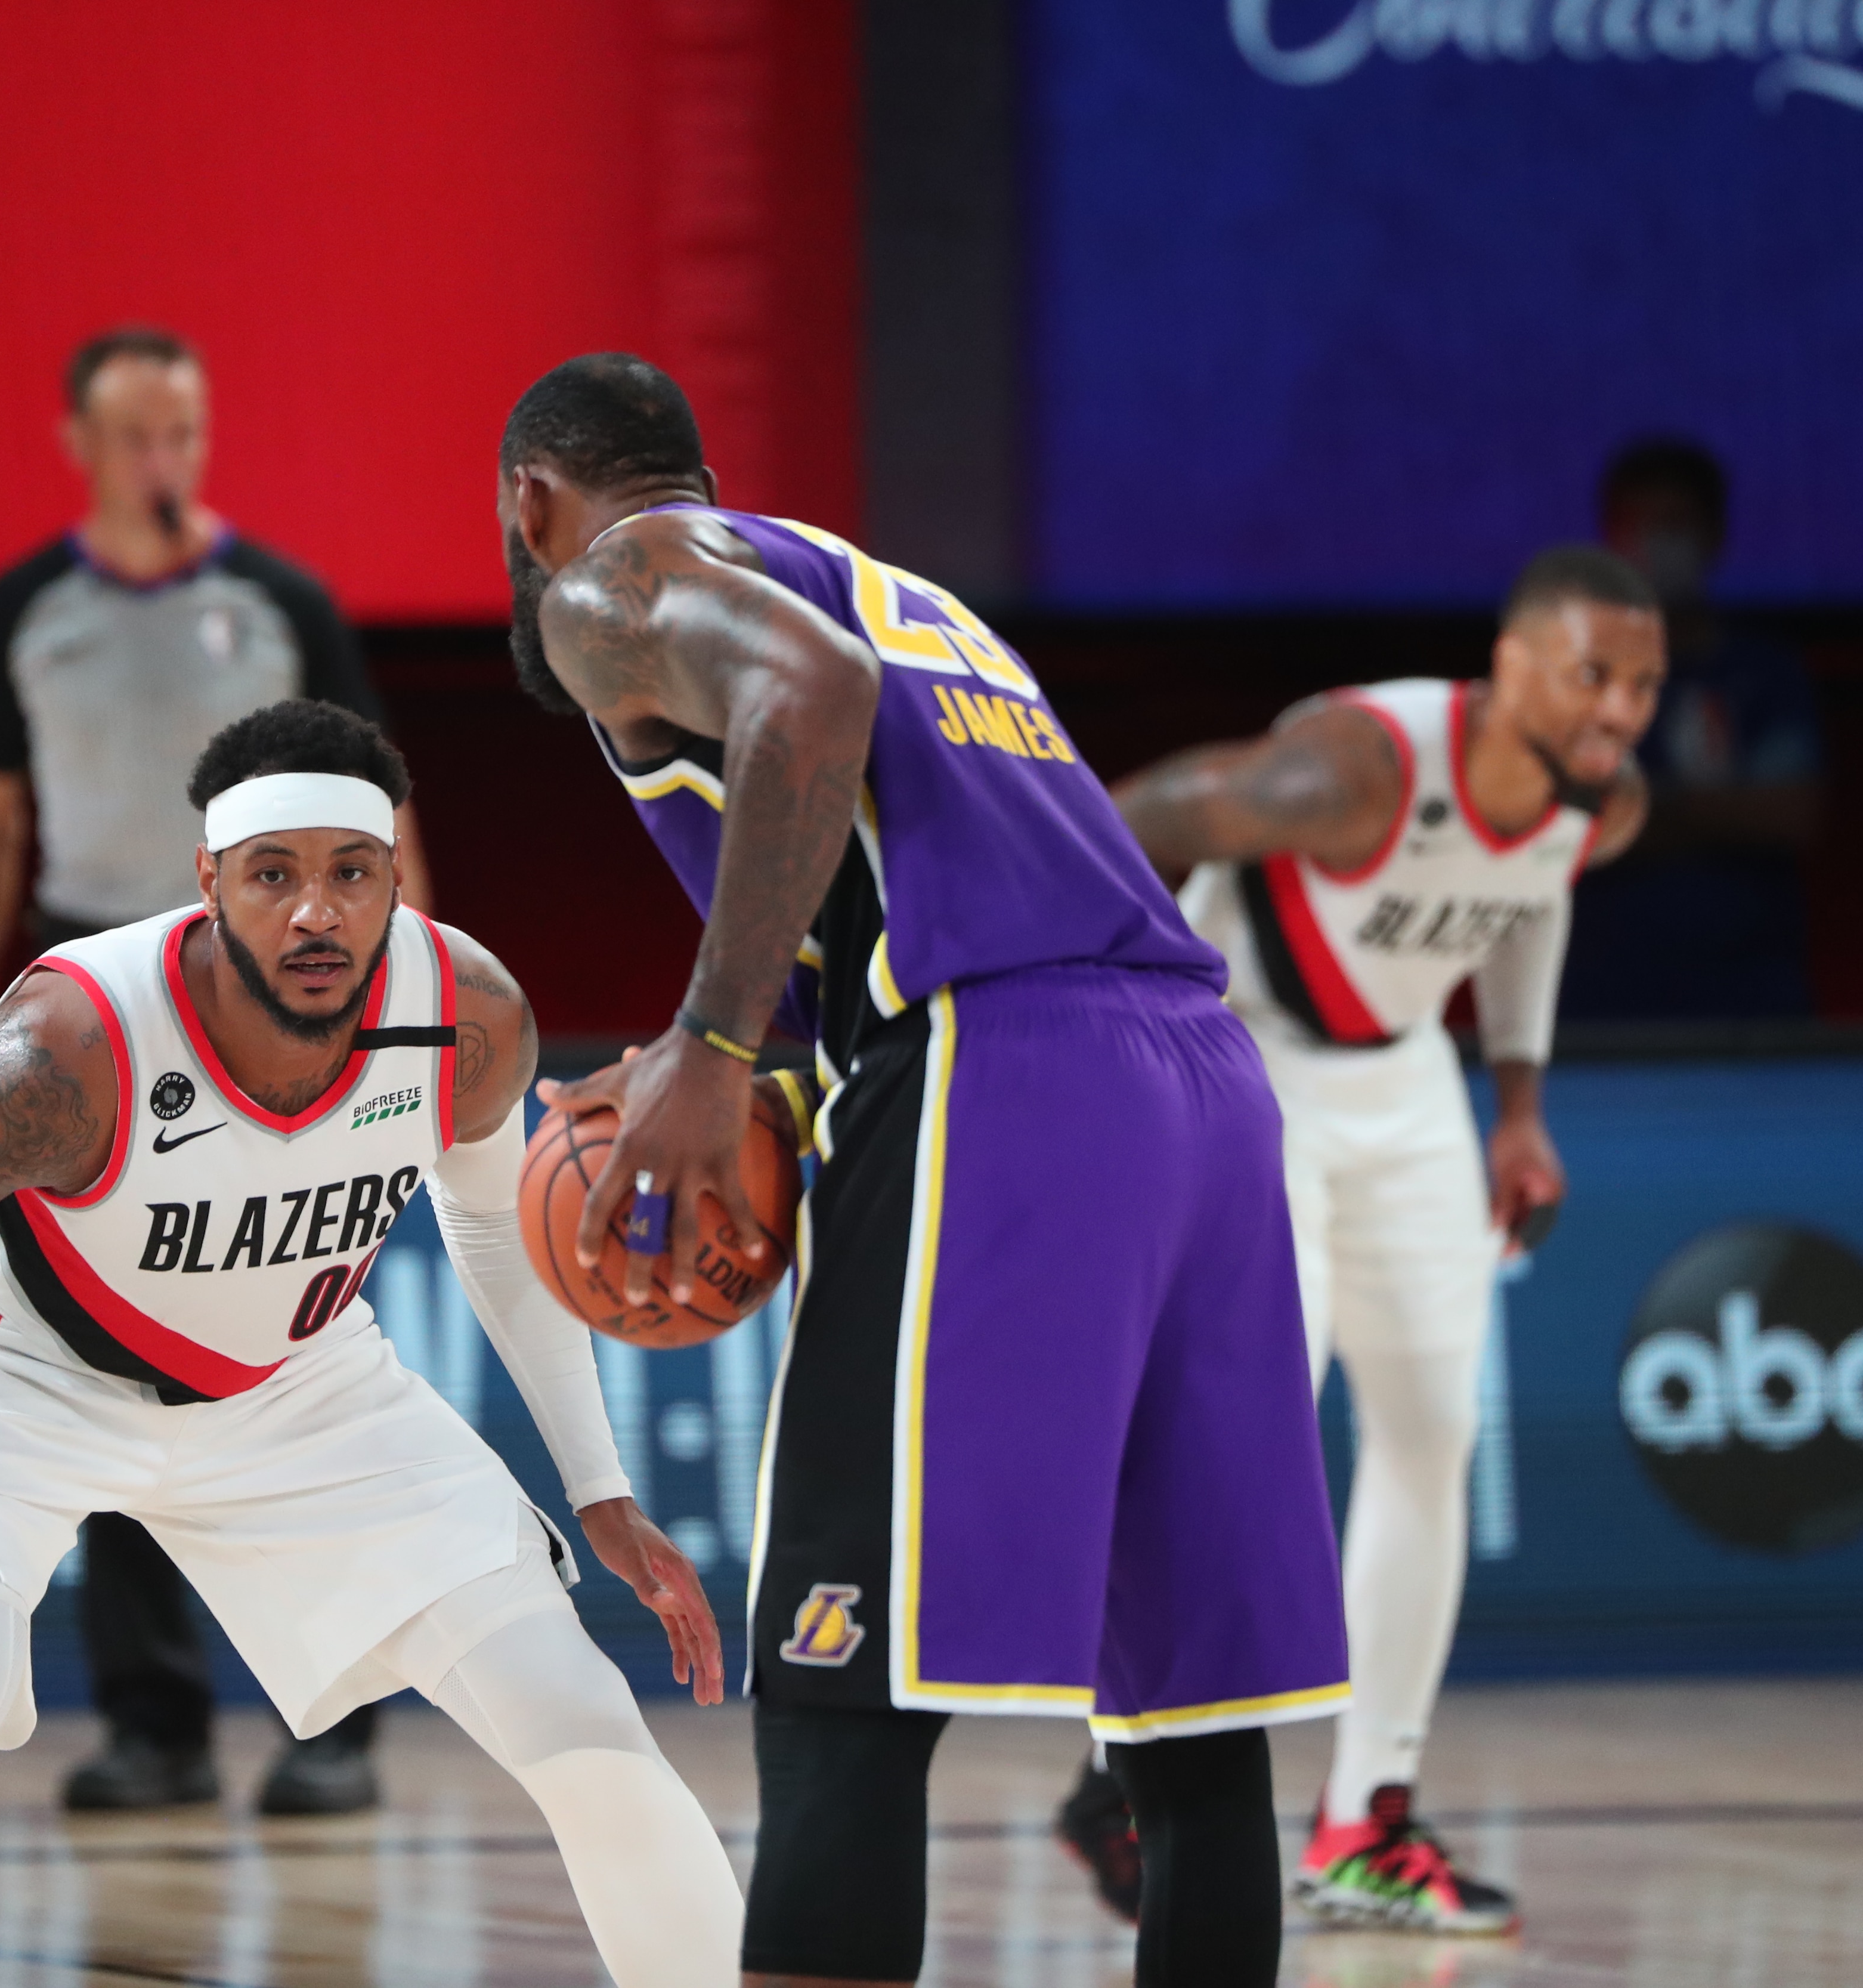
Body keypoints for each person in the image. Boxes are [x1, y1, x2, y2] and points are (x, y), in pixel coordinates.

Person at [498, 353, 1347, 1988]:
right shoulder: (898, 586)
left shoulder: (606, 583)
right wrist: (752, 1068)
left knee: (840, 1688)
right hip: (1203, 1092)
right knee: (1191, 1729)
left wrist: (715, 1038)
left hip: (1007, 1075)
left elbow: (808, 699)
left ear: (533, 502)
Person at [0, 701, 741, 1988]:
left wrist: (601, 1489)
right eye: (274, 876)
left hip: (292, 1386)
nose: (316, 913)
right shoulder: (66, 1051)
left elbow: (493, 1230)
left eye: (351, 874)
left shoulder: (465, 1016)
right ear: (210, 882)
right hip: (4, 1366)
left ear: (393, 880)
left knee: (581, 1718)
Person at [1080, 546, 1660, 1936]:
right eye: (1593, 675)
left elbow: (1531, 901)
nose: (1620, 711)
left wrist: (1518, 1103)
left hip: (1405, 1081)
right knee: (1247, 1436)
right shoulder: (1356, 767)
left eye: (1643, 684)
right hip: (1243, 1064)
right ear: (1507, 665)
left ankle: (1365, 1819)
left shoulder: (1605, 802)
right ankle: (1117, 1773)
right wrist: (1107, 1031)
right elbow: (1122, 817)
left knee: (1431, 1433)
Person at [0, 323, 432, 1814]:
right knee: (108, 1360)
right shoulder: (25, 608)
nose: (166, 460)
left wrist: (405, 1005)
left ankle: (334, 1719)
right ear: (78, 443)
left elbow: (383, 828)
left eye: (186, 434)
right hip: (98, 1008)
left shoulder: (282, 605)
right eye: (138, 434)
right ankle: (154, 1725)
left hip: (281, 1004)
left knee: (288, 1359)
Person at [1560, 437, 1821, 1021]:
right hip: (1603, 1004)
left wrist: (1641, 810)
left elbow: (1789, 814)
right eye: (1644, 526)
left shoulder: (1763, 672)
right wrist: (1716, 811)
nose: (1660, 544)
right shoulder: (1568, 679)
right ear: (1611, 538)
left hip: (1751, 999)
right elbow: (1568, 827)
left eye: (1677, 525)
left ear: (1714, 535)